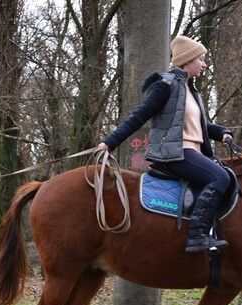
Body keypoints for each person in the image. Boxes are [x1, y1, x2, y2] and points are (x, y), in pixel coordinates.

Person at [97, 35, 233, 254]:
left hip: (193, 152)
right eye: (201, 59)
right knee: (220, 177)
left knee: (226, 174)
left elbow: (200, 125)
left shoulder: (191, 90)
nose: (205, 64)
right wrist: (109, 142)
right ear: (187, 60)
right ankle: (197, 236)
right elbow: (140, 116)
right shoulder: (165, 85)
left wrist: (222, 133)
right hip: (175, 153)